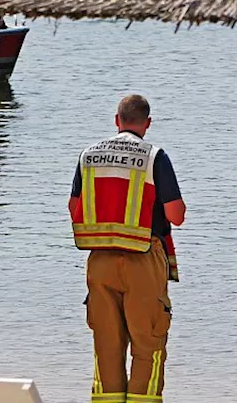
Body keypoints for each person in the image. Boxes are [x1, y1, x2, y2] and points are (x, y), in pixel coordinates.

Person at [69, 95, 186, 403]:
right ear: (147, 124)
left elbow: (74, 207)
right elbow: (176, 214)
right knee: (148, 346)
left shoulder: (88, 155)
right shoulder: (154, 156)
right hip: (143, 259)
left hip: (100, 261)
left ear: (116, 120)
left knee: (106, 347)